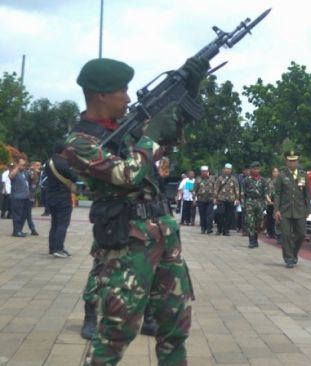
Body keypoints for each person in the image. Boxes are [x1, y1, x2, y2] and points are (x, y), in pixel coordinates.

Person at [64, 56, 206, 364]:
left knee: (175, 324)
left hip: (164, 235)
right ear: (101, 94)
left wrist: (189, 94)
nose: (129, 97)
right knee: (116, 332)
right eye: (122, 90)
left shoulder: (130, 128)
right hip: (127, 244)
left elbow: (169, 131)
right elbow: (126, 174)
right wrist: (150, 135)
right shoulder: (80, 142)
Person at [274, 150, 311, 268]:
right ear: (286, 162)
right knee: (286, 235)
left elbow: (307, 193)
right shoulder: (282, 175)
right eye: (290, 161)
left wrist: (308, 208)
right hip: (285, 210)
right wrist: (276, 210)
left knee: (301, 234)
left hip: (300, 210)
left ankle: (294, 253)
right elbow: (278, 194)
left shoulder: (303, 175)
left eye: (294, 161)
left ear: (297, 161)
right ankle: (289, 258)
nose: (292, 163)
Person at [45, 141, 77, 258]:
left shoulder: (49, 162)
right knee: (63, 223)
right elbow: (74, 177)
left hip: (51, 196)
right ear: (63, 151)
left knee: (54, 223)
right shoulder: (63, 163)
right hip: (62, 197)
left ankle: (52, 248)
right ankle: (59, 248)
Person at [243, 161, 268, 248]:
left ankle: (256, 238)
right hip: (249, 202)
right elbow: (243, 193)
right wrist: (244, 204)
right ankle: (251, 240)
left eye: (257, 169)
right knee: (250, 222)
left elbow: (266, 193)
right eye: (254, 169)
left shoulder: (263, 180)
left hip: (259, 202)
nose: (256, 170)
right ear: (251, 170)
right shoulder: (247, 180)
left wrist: (265, 204)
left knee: (258, 222)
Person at [9, 158, 36, 237]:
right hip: (17, 197)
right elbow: (11, 176)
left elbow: (33, 178)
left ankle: (19, 230)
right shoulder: (14, 171)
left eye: (24, 164)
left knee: (23, 215)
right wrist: (17, 167)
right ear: (17, 164)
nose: (24, 166)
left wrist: (33, 170)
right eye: (22, 164)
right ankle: (16, 231)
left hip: (25, 197)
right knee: (17, 215)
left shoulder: (25, 172)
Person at [215, 163, 240, 236]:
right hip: (221, 198)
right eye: (226, 169)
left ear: (231, 170)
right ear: (224, 169)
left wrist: (237, 198)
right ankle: (219, 228)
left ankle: (226, 230)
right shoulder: (220, 178)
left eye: (229, 169)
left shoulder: (234, 179)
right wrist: (215, 197)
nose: (227, 170)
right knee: (220, 213)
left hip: (231, 199)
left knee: (229, 215)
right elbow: (216, 188)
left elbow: (237, 189)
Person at [194, 165, 216, 234]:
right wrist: (194, 199)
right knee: (202, 215)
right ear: (201, 172)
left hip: (210, 199)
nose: (204, 173)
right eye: (203, 171)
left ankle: (209, 228)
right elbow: (194, 190)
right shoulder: (198, 179)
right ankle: (203, 228)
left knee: (210, 214)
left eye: (206, 171)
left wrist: (216, 198)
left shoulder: (212, 178)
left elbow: (216, 188)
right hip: (201, 200)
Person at [265, 166, 280, 240]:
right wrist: (268, 200)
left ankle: (274, 232)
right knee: (269, 217)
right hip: (269, 200)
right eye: (274, 172)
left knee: (275, 218)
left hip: (277, 201)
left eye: (277, 172)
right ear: (272, 173)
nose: (275, 173)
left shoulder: (280, 181)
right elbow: (265, 191)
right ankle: (269, 231)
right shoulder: (268, 181)